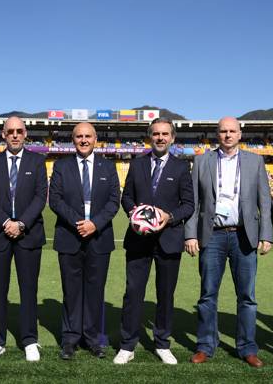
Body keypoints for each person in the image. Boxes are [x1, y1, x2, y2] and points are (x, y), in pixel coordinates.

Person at [184, 117, 273, 367]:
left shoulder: (255, 161)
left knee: (247, 296)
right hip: (211, 235)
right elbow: (194, 202)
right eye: (223, 131)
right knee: (207, 295)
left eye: (232, 131)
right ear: (217, 134)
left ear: (240, 134)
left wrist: (266, 234)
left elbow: (265, 201)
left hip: (243, 235)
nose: (227, 135)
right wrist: (190, 233)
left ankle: (247, 348)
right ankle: (205, 346)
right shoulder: (202, 161)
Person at [113, 117, 194, 365]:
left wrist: (168, 217)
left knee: (165, 294)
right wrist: (133, 214)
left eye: (164, 134)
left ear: (172, 138)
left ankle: (162, 343)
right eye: (155, 133)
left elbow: (189, 205)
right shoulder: (137, 165)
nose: (160, 138)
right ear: (150, 136)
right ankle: (127, 345)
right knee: (133, 293)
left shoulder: (181, 168)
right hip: (138, 240)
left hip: (169, 240)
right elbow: (126, 197)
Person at [49, 122, 121, 360]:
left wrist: (95, 224)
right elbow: (56, 200)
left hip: (99, 238)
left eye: (87, 136)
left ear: (95, 138)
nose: (83, 140)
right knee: (71, 291)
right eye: (79, 136)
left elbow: (114, 201)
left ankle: (92, 338)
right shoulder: (61, 166)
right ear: (73, 139)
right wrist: (79, 222)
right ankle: (69, 339)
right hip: (70, 236)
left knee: (95, 291)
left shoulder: (108, 167)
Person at [0, 116, 48, 362]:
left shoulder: (37, 161)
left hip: (28, 234)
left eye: (19, 131)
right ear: (3, 134)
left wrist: (21, 223)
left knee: (28, 289)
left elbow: (41, 197)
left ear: (26, 133)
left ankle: (29, 339)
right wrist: (6, 222)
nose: (15, 135)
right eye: (11, 131)